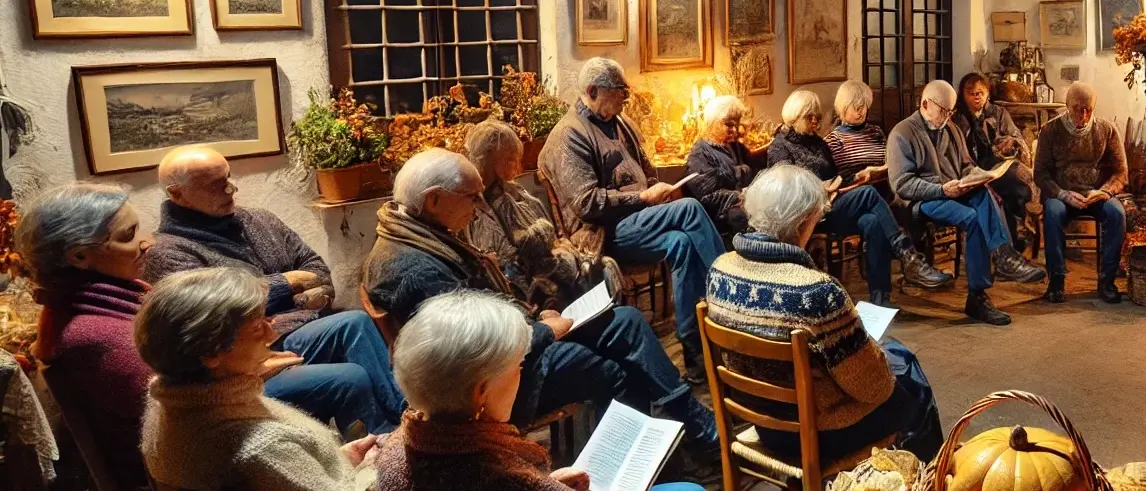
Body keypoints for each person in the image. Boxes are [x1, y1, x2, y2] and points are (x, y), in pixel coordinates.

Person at [361, 148, 719, 468]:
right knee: (613, 368)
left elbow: (481, 314)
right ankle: (642, 462)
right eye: (471, 197)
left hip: (509, 342)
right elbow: (472, 351)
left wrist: (536, 317)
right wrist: (545, 331)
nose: (479, 206)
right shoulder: (416, 269)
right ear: (434, 199)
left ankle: (684, 433)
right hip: (491, 382)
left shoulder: (413, 233)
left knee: (625, 321)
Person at [143, 145, 405, 435]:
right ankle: (383, 440)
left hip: (297, 332)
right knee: (351, 376)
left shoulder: (259, 220)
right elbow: (220, 316)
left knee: (355, 322)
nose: (231, 188)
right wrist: (287, 283)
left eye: (228, 177)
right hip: (243, 360)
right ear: (178, 195)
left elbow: (317, 270)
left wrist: (286, 297)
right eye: (215, 185)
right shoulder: (169, 252)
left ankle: (406, 418)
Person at [706, 164, 943, 463]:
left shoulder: (720, 270)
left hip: (761, 421)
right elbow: (874, 388)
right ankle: (931, 471)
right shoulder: (816, 292)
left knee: (896, 357)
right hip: (818, 432)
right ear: (805, 221)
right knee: (910, 385)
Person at [374, 289, 704, 491]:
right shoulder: (504, 475)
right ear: (481, 391)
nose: (521, 374)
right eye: (518, 366)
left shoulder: (395, 450)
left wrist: (547, 481)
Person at [538, 57, 726, 382]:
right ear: (593, 91)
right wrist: (642, 198)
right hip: (602, 232)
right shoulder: (569, 135)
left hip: (637, 221)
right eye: (619, 92)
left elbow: (646, 171)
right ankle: (730, 290)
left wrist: (657, 191)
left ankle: (694, 351)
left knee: (681, 243)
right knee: (690, 208)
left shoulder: (619, 122)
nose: (625, 98)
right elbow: (586, 204)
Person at [136, 268, 381, 490]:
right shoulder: (261, 447)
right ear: (211, 352)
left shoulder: (165, 403)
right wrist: (368, 472)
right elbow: (270, 463)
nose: (271, 332)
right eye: (256, 327)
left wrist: (338, 460)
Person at [14, 184, 154, 488]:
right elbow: (178, 408)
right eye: (128, 235)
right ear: (79, 256)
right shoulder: (97, 335)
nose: (147, 242)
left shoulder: (105, 306)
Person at [766, 89, 953, 306]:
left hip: (831, 204)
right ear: (794, 115)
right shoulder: (780, 147)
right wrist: (819, 187)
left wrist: (858, 176)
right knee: (868, 193)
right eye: (810, 117)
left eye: (817, 116)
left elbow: (837, 177)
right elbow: (784, 188)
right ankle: (908, 256)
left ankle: (880, 299)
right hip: (808, 214)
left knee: (873, 222)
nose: (815, 121)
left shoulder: (818, 143)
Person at [888, 80, 1046, 325]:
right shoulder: (902, 133)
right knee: (972, 218)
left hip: (954, 189)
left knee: (985, 194)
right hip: (923, 199)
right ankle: (978, 295)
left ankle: (1004, 256)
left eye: (950, 112)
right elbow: (902, 184)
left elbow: (965, 165)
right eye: (943, 110)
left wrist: (976, 176)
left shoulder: (950, 129)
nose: (947, 117)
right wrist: (941, 189)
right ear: (925, 104)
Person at [463, 119, 621, 311]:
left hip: (543, 263)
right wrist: (543, 235)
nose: (517, 166)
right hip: (523, 283)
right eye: (511, 160)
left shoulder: (514, 191)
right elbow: (514, 251)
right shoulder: (478, 205)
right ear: (493, 161)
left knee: (589, 266)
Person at [1035, 82, 1128, 303]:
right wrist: (1063, 194)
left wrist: (1105, 192)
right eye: (1078, 109)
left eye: (1089, 109)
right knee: (1053, 212)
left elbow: (1121, 172)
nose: (1083, 115)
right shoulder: (1050, 131)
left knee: (1117, 214)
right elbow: (1040, 174)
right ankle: (1056, 280)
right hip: (1062, 195)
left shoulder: (1106, 129)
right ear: (1067, 105)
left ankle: (1107, 280)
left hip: (1095, 194)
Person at [953, 72, 1038, 252]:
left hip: (999, 166)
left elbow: (1016, 137)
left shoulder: (998, 113)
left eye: (980, 93)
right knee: (999, 191)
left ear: (987, 93)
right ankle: (1003, 243)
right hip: (972, 169)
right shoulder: (957, 119)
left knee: (1020, 185)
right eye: (971, 93)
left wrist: (1009, 143)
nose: (976, 97)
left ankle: (1014, 238)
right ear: (963, 95)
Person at [682, 95, 766, 232]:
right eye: (729, 125)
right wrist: (740, 196)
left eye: (736, 125)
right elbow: (706, 197)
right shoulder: (700, 153)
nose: (735, 130)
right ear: (713, 122)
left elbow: (755, 168)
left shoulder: (734, 146)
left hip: (744, 208)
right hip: (721, 221)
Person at [825, 80, 893, 201]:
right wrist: (859, 177)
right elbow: (833, 183)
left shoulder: (876, 132)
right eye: (855, 107)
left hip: (884, 194)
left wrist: (881, 170)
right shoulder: (834, 139)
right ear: (843, 108)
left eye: (863, 106)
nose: (860, 112)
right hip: (853, 196)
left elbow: (890, 161)